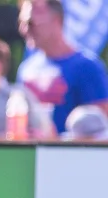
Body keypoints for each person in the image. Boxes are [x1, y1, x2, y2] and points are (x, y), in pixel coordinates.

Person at [17, 0, 108, 134]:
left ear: (56, 20)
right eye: (21, 23)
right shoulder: (27, 69)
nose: (24, 30)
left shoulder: (87, 67)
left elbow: (101, 127)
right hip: (30, 153)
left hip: (72, 154)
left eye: (30, 23)